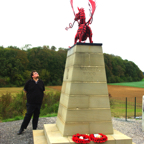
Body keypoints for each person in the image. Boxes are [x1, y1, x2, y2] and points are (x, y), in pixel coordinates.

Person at [17, 70, 45, 135]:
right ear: (32, 76)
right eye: (35, 73)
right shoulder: (29, 82)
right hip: (31, 102)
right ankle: (22, 129)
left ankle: (34, 129)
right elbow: (25, 90)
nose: (37, 73)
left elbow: (42, 90)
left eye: (37, 73)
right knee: (28, 116)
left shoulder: (41, 82)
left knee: (36, 116)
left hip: (39, 102)